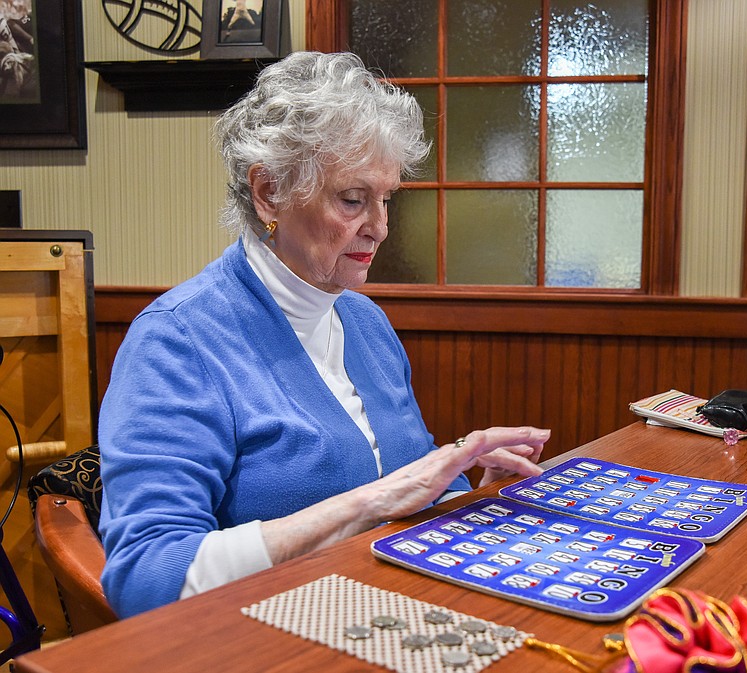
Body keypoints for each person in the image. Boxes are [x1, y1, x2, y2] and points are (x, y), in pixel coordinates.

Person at [98, 51, 550, 619]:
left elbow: (402, 482)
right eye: (353, 200)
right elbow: (145, 578)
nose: (380, 229)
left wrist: (463, 489)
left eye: (386, 200)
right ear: (269, 193)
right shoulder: (177, 342)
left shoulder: (364, 321)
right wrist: (368, 504)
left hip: (389, 615)